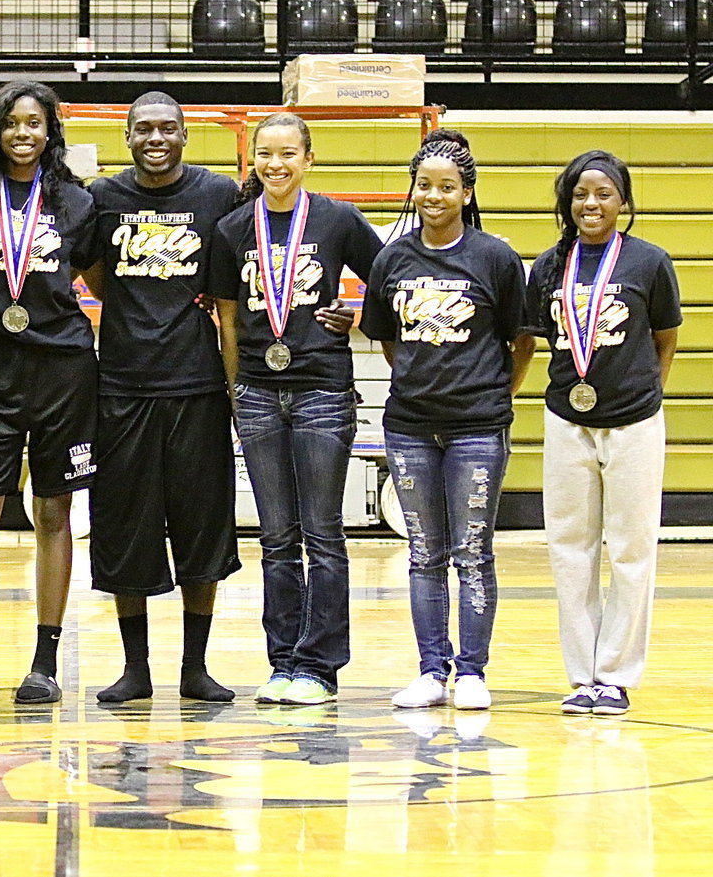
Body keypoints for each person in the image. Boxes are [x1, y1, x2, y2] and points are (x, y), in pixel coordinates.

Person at [208, 112, 381, 706]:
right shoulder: (232, 228)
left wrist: (358, 317)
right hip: (256, 392)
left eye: (288, 154)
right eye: (265, 154)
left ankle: (321, 666)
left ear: (308, 158)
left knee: (323, 533)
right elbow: (228, 318)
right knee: (277, 537)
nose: (275, 165)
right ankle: (282, 661)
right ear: (251, 159)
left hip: (322, 391)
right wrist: (236, 391)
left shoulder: (337, 220)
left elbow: (389, 282)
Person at [360, 130, 535, 711]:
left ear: (466, 192)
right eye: (425, 186)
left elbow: (522, 339)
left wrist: (490, 394)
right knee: (422, 551)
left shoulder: (495, 257)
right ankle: (431, 670)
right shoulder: (392, 258)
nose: (434, 196)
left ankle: (473, 671)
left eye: (447, 187)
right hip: (410, 425)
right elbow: (387, 340)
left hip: (478, 427)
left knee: (472, 548)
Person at [83, 92, 242, 702]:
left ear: (184, 135)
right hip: (122, 384)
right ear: (127, 136)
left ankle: (195, 668)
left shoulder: (217, 194)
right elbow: (96, 272)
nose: (156, 137)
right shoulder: (103, 197)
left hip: (196, 385)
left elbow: (237, 272)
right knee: (127, 529)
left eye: (168, 128)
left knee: (202, 530)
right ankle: (136, 668)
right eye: (144, 128)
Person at [0, 81, 100, 705]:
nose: (23, 134)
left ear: (50, 130)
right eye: (11, 123)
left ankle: (45, 661)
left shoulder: (75, 202)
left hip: (64, 370)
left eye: (35, 123)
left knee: (54, 514)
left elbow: (101, 282)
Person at [525, 150, 681, 716]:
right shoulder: (547, 266)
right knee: (570, 548)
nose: (591, 203)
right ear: (567, 203)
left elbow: (665, 338)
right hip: (567, 419)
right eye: (580, 194)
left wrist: (646, 395)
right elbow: (540, 336)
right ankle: (582, 673)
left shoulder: (650, 262)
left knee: (633, 548)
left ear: (624, 202)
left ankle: (615, 674)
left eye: (604, 194)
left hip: (635, 419)